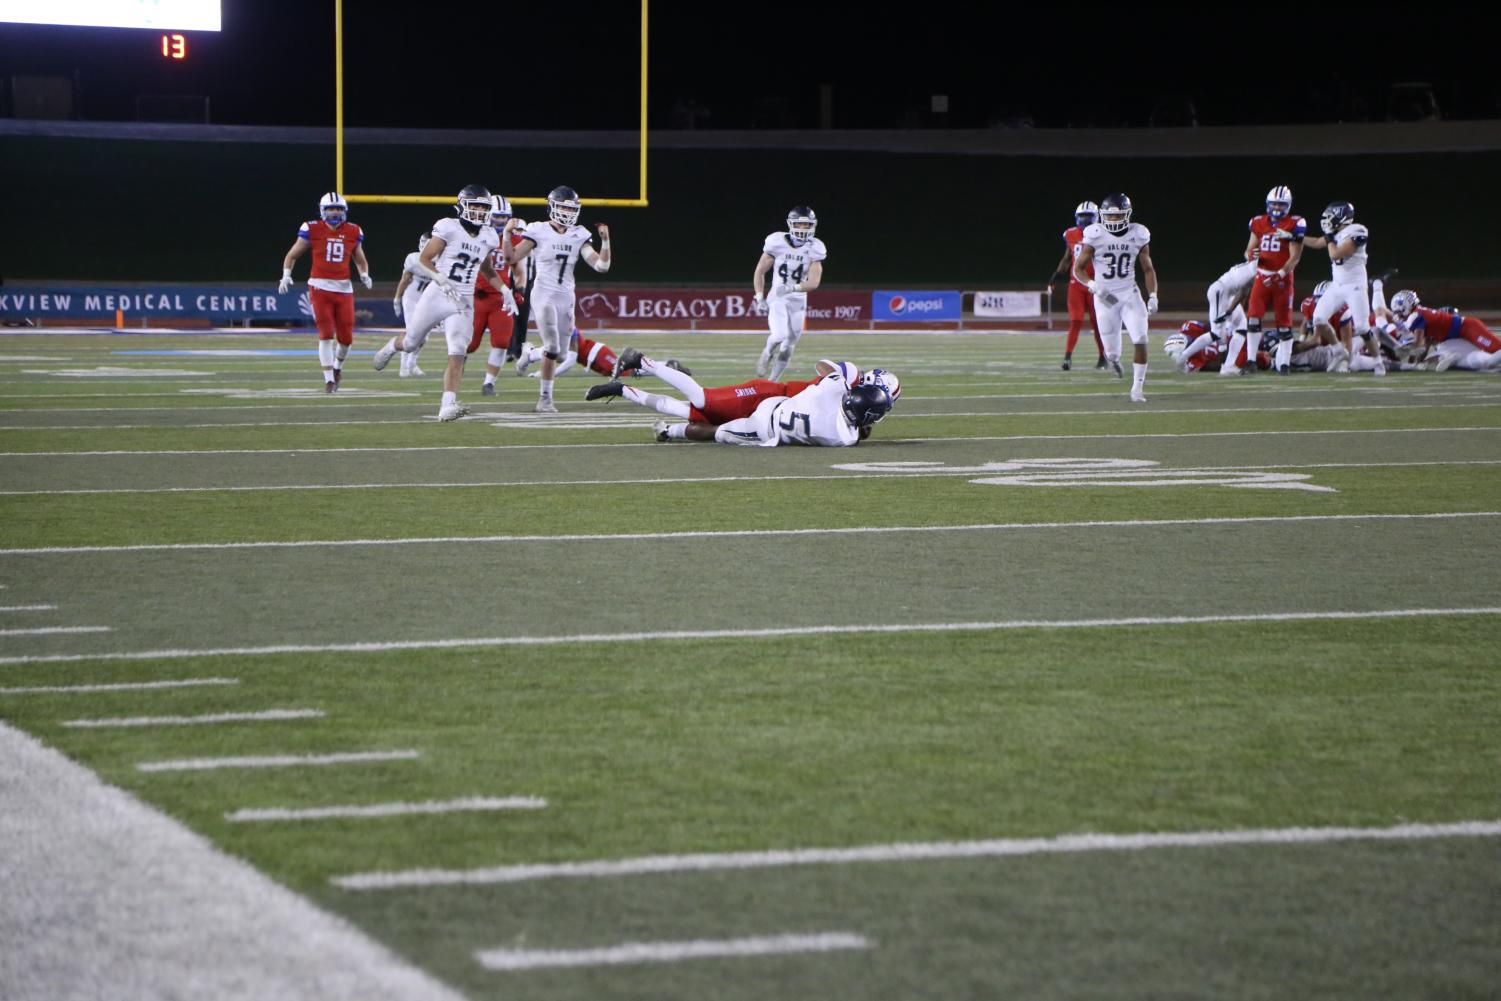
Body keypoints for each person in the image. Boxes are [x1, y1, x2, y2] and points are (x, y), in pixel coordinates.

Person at [371, 184, 503, 421]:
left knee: (458, 351)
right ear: (462, 205)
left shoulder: (489, 236)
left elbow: (488, 269)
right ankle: (392, 346)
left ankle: (447, 405)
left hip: (462, 300)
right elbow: (424, 258)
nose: (479, 211)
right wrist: (440, 277)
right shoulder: (448, 227)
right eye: (474, 205)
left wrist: (506, 291)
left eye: (483, 207)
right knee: (411, 343)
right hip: (437, 293)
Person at [504, 186, 610, 413]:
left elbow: (601, 266)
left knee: (561, 354)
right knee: (552, 347)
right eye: (563, 207)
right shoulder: (538, 230)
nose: (567, 212)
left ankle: (530, 353)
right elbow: (511, 257)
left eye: (571, 208)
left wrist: (606, 241)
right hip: (544, 293)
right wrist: (506, 235)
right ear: (552, 207)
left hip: (566, 296)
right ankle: (545, 399)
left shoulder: (579, 233)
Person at [278, 192, 372, 393]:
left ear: (344, 211)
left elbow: (360, 259)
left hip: (344, 289)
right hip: (319, 287)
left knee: (346, 338)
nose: (335, 212)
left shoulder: (353, 231)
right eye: (331, 208)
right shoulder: (312, 229)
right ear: (323, 211)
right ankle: (329, 379)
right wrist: (286, 274)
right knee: (326, 333)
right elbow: (292, 255)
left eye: (338, 208)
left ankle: (338, 368)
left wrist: (364, 274)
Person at [1071, 192, 1158, 402]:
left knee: (1141, 338)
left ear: (1127, 215)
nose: (1113, 220)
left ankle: (1137, 388)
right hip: (1106, 296)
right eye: (1109, 216)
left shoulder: (1138, 233)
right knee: (1111, 350)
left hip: (1129, 293)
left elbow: (1148, 269)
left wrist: (1153, 295)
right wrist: (1093, 285)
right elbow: (1078, 269)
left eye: (1118, 216)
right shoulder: (1094, 234)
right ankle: (1114, 361)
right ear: (1102, 216)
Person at [1302, 200, 1383, 375]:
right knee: (1318, 319)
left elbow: (1335, 254)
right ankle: (1339, 351)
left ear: (1342, 217)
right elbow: (1317, 243)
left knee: (1362, 327)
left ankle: (1378, 362)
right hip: (1337, 286)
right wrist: (1296, 237)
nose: (1328, 220)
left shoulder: (1358, 231)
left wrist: (1330, 237)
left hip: (1355, 286)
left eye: (1331, 216)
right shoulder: (1335, 234)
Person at [752, 206, 827, 380]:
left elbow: (814, 283)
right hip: (778, 296)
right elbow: (760, 271)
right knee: (779, 336)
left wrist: (793, 288)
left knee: (789, 345)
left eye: (807, 225)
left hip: (799, 300)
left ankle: (772, 381)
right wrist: (759, 296)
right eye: (800, 225)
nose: (804, 228)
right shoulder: (776, 242)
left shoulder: (816, 247)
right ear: (791, 224)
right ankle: (767, 352)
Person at [1243, 185, 1305, 366]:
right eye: (1274, 204)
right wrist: (1249, 255)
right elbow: (1249, 250)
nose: (1276, 208)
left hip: (1283, 280)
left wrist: (1280, 274)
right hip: (1262, 276)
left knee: (1284, 325)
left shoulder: (1295, 223)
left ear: (1288, 205)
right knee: (1253, 319)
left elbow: (1295, 258)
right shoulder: (1258, 222)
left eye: (1281, 205)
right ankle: (1251, 360)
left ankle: (1283, 364)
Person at [472, 196, 522, 396]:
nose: (500, 222)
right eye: (497, 217)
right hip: (475, 296)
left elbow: (519, 270)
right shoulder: (474, 235)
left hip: (501, 298)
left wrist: (519, 289)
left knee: (501, 342)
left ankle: (489, 383)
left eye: (504, 217)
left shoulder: (513, 240)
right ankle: (455, 375)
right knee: (468, 344)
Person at [1047, 201, 1105, 370]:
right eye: (1082, 217)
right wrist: (1055, 277)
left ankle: (1103, 357)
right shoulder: (1071, 234)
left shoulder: (1103, 235)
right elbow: (1067, 259)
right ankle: (1067, 357)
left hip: (1095, 285)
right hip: (1076, 284)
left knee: (1097, 322)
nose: (1085, 221)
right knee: (1076, 320)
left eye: (1088, 217)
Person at [1389, 290, 1501, 371]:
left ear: (1405, 306)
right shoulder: (1418, 314)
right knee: (1464, 359)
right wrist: (1415, 363)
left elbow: (1418, 345)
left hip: (1468, 328)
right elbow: (1425, 344)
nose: (1398, 315)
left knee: (1496, 349)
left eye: (1398, 312)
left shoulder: (1415, 316)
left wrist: (1403, 352)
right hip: (1454, 338)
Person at [390, 233, 433, 378]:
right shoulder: (414, 259)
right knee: (412, 333)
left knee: (425, 337)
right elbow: (404, 280)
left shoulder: (440, 260)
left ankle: (412, 364)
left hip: (427, 300)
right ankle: (403, 367)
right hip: (411, 298)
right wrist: (397, 298)